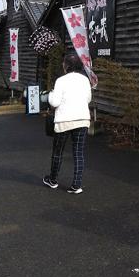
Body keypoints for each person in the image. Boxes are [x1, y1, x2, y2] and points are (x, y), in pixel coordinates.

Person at [42, 53, 92, 194]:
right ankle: (76, 185)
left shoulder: (61, 81)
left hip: (64, 120)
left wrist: (51, 94)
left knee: (58, 152)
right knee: (78, 153)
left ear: (67, 66)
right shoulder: (85, 80)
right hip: (82, 119)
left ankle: (52, 180)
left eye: (64, 63)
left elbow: (54, 102)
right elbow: (88, 99)